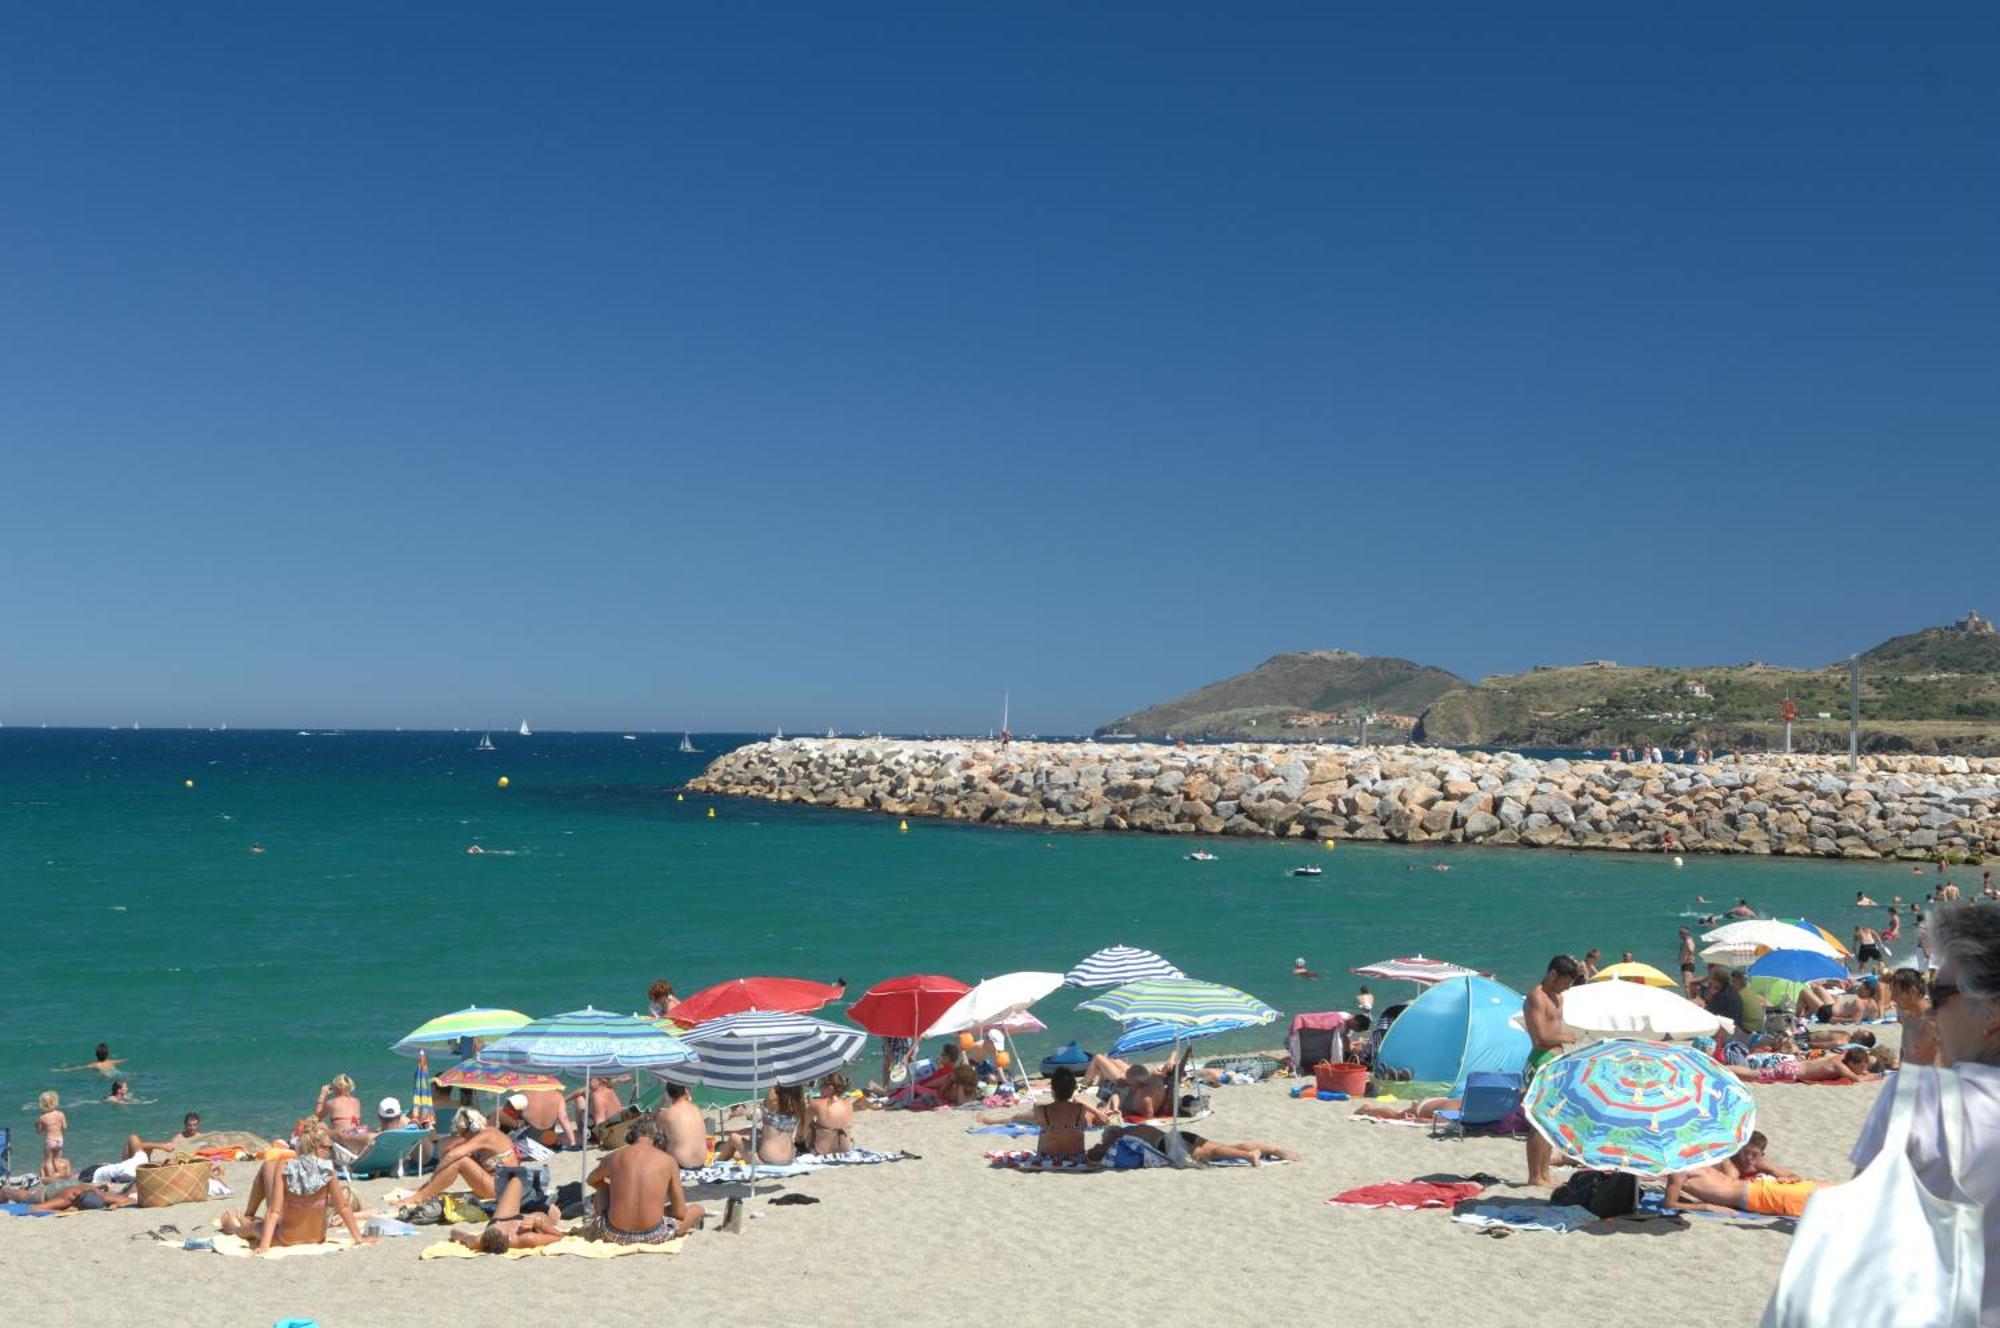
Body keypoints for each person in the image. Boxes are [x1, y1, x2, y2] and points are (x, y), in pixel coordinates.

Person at [1845, 904, 2000, 1325]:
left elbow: (1858, 1233)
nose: (1932, 1010)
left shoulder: (1919, 1099)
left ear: (1990, 1013)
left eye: (1942, 993)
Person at [218, 1119, 373, 1254]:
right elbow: (344, 1207)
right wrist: (358, 1238)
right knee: (260, 1223)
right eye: (328, 1148)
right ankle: (245, 1219)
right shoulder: (328, 1168)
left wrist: (264, 1247)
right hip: (317, 1238)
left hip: (285, 1238)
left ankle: (234, 1227)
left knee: (255, 1227)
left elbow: (273, 1212)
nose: (329, 1151)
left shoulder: (285, 1166)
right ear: (318, 1147)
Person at [396, 1098, 550, 1219]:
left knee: (460, 1160)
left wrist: (430, 1181)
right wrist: (428, 1183)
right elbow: (445, 1147)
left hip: (501, 1189)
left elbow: (451, 1155)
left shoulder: (488, 1135)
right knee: (460, 1158)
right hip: (499, 1186)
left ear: (472, 1128)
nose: (461, 1136)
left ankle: (418, 1198)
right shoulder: (482, 1137)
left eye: (463, 1132)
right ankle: (423, 1191)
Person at [584, 1116, 705, 1244]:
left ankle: (599, 1220)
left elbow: (591, 1180)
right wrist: (659, 1210)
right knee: (697, 1209)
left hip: (612, 1233)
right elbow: (680, 1213)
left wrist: (611, 1185)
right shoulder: (668, 1161)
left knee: (601, 1184)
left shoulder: (613, 1157)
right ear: (658, 1138)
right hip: (654, 1235)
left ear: (631, 1136)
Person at [1524, 955, 1582, 1188]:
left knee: (1549, 1121)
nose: (1567, 987)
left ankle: (1544, 1173)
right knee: (1537, 1121)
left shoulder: (1558, 997)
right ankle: (1534, 1176)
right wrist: (1566, 1037)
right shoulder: (1536, 997)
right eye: (1565, 982)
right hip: (1540, 1059)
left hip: (1555, 1061)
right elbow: (1540, 1038)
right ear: (1552, 974)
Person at [1085, 1123, 1299, 1167]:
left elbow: (1097, 1154)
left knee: (1212, 1152)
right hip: (1177, 1135)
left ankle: (1250, 1156)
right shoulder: (1136, 1127)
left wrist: (1097, 1148)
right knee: (1222, 1147)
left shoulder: (1119, 1134)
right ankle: (1272, 1150)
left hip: (1168, 1144)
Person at [713, 1085, 803, 1165]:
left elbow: (767, 1087)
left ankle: (716, 1162)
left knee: (733, 1138)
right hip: (789, 1157)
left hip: (768, 1160)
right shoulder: (797, 1104)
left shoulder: (774, 1101)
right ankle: (737, 1155)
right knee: (756, 1133)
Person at [1889, 968, 1940, 1067]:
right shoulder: (1908, 1018)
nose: (1892, 997)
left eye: (1896, 992)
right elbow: (1905, 1051)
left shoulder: (1933, 1022)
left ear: (1912, 992)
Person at [654, 1082, 710, 1168]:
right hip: (701, 1162)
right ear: (686, 1091)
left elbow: (657, 1136)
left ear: (668, 1094)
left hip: (680, 1164)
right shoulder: (696, 1109)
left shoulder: (666, 1114)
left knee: (659, 1143)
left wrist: (663, 1102)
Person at [806, 1073, 858, 1156]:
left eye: (821, 1086)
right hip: (846, 1149)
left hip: (822, 1150)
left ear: (830, 1088)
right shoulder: (849, 1104)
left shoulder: (815, 1103)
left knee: (809, 1125)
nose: (819, 1090)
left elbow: (803, 1126)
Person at [316, 1073, 368, 1149]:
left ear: (336, 1088)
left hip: (343, 1139)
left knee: (320, 1125)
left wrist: (322, 1095)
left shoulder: (332, 1103)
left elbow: (317, 1117)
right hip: (356, 1138)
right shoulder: (357, 1101)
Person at [126, 1111, 203, 1161]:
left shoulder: (201, 1137)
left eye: (194, 1125)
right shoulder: (179, 1137)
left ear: (198, 1124)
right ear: (185, 1125)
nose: (192, 1128)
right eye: (189, 1125)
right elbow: (170, 1146)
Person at [36, 1092, 69, 1181]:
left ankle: (51, 1178)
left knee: (48, 1160)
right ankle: (60, 1175)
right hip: (59, 1140)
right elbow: (65, 1127)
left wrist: (38, 1124)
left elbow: (39, 1131)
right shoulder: (60, 1114)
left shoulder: (42, 1117)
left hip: (50, 1141)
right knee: (57, 1159)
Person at [55, 1043, 123, 1075]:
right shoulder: (111, 1062)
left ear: (96, 1055)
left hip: (104, 1076)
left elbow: (79, 1068)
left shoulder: (95, 1065)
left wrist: (62, 1070)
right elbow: (122, 1061)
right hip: (116, 1073)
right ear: (107, 1054)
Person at [1678, 927, 1698, 992]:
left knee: (1687, 984)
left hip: (1687, 964)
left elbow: (1691, 949)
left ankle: (1688, 1000)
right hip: (1687, 964)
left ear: (1684, 934)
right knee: (1689, 983)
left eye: (1680, 933)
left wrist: (1687, 958)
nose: (1679, 935)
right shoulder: (1688, 940)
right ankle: (1691, 998)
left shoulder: (1688, 941)